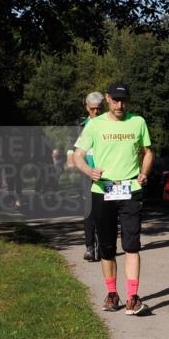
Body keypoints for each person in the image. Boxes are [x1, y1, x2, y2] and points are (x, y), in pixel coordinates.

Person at [73, 82, 154, 315]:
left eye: (124, 100)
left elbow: (148, 151)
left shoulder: (138, 122)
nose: (120, 105)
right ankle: (112, 294)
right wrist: (89, 171)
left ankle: (133, 297)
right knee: (106, 247)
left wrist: (144, 172)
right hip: (103, 190)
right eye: (116, 100)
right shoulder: (94, 124)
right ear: (107, 98)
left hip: (130, 189)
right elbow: (78, 155)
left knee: (131, 245)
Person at [67, 92, 105, 261]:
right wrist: (70, 157)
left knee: (104, 210)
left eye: (99, 108)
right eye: (92, 109)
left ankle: (103, 244)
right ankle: (89, 246)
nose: (96, 112)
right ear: (86, 107)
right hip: (87, 171)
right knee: (88, 209)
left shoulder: (109, 123)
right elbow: (71, 143)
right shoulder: (80, 124)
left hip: (106, 172)